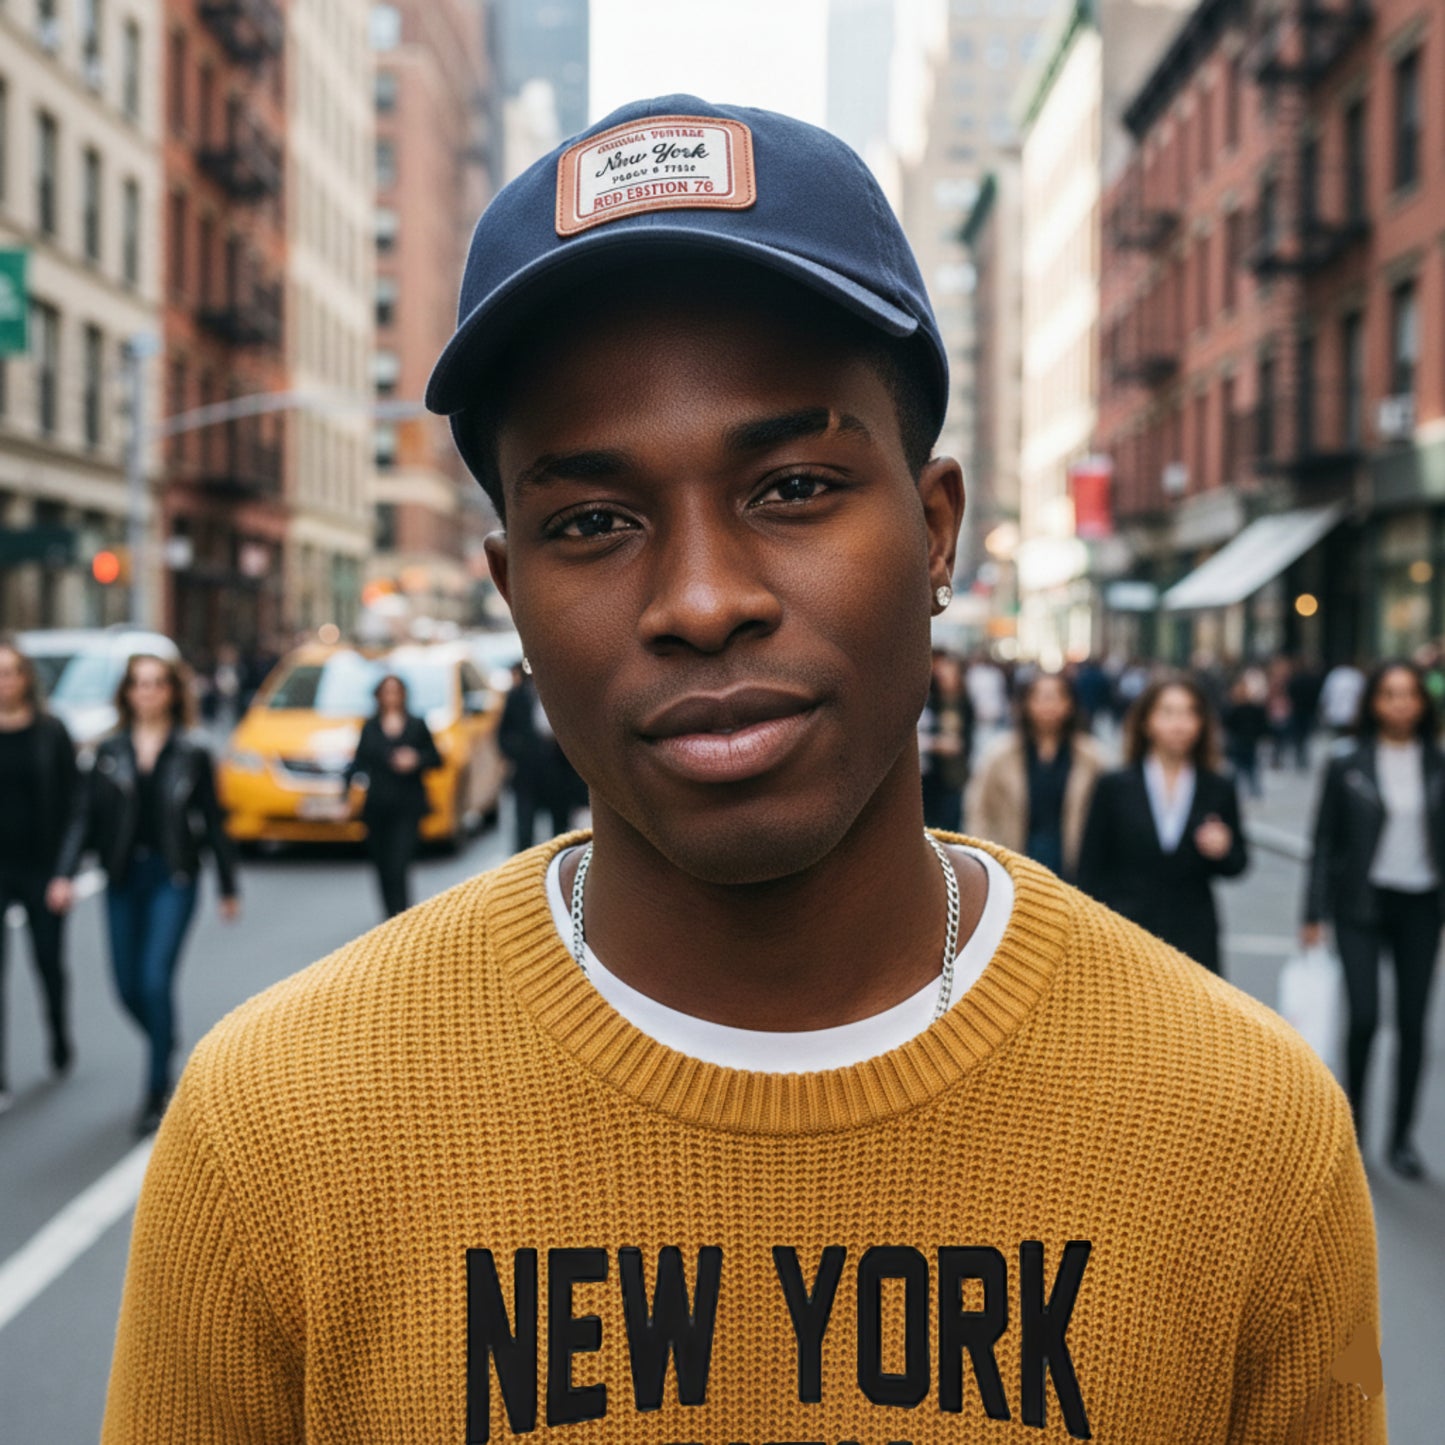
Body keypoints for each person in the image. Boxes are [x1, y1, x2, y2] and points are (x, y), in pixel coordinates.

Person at [101, 96, 1384, 1442]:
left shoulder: (1246, 1125)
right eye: (592, 520)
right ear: (512, 592)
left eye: (793, 488)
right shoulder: (271, 1128)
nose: (702, 599)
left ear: (936, 531)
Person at [51, 653, 239, 1135]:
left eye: (157, 684)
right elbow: (81, 817)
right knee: (127, 987)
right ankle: (164, 1037)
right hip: (121, 879)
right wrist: (64, 874)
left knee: (154, 981)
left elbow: (214, 823)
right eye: (139, 684)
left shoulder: (192, 750)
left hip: (174, 877)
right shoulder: (108, 751)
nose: (148, 692)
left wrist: (227, 886)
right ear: (127, 693)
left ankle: (156, 1090)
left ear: (173, 692)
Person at [1302, 659, 1444, 1181]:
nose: (1401, 703)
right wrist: (1312, 912)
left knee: (1412, 1024)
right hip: (1360, 903)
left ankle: (1401, 1139)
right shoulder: (1347, 762)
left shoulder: (1438, 763)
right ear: (1373, 702)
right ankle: (1353, 1134)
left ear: (1423, 703)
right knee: (1363, 1018)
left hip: (1422, 906)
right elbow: (1324, 842)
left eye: (1409, 694)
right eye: (1389, 693)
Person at [1078, 674, 1249, 974]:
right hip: (1126, 932)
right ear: (1146, 722)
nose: (1179, 724)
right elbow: (1090, 865)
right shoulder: (1115, 786)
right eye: (1167, 713)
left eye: (1189, 713)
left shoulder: (1218, 787)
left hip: (1194, 934)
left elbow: (1238, 863)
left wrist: (1223, 848)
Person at [0, 639, 78, 1110]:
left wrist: (65, 873)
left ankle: (59, 1034)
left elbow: (74, 805)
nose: (4, 682)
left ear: (26, 678)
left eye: (11, 672)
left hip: (42, 868)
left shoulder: (52, 732)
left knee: (47, 963)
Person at [967, 670, 1106, 882]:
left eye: (1058, 696)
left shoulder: (1092, 758)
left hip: (1073, 862)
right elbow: (979, 811)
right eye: (1040, 696)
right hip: (1013, 862)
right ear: (1025, 703)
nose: (1049, 704)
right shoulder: (999, 755)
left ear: (1071, 704)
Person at [343, 673, 442, 918]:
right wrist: (343, 796)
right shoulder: (370, 727)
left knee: (399, 864)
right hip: (377, 806)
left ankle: (404, 917)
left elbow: (437, 758)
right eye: (386, 692)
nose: (391, 697)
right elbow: (358, 764)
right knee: (382, 867)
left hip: (407, 806)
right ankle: (388, 917)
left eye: (395, 691)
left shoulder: (417, 725)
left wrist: (416, 759)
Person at [498, 659, 585, 851]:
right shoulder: (517, 696)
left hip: (558, 774)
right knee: (524, 831)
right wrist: (520, 751)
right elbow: (503, 736)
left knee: (561, 831)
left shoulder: (563, 695)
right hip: (527, 776)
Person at [917, 648, 973, 832]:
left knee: (951, 825)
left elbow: (966, 740)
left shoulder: (964, 703)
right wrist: (936, 744)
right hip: (933, 776)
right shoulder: (931, 702)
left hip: (955, 776)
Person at [1221, 668, 1269, 800]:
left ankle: (1254, 791)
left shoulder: (1245, 708)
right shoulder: (1235, 707)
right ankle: (1250, 791)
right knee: (1244, 768)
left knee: (1246, 768)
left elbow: (1261, 723)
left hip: (1244, 741)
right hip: (1242, 741)